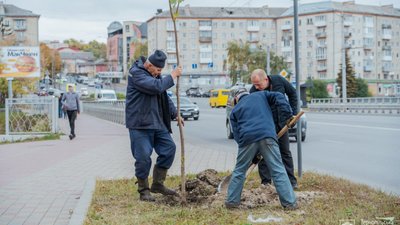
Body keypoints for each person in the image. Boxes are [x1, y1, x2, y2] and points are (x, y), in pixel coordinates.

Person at [225, 88, 297, 209]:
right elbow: (279, 96)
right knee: (278, 169)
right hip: (267, 135)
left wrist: (248, 152)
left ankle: (232, 202)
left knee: (239, 170)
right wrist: (288, 115)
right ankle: (289, 203)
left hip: (247, 139)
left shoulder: (235, 110)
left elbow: (237, 135)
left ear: (236, 99)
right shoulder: (262, 95)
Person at [126, 50, 183, 202]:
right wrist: (172, 76)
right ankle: (144, 190)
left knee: (169, 149)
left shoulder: (154, 76)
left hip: (157, 123)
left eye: (161, 71)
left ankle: (158, 184)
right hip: (140, 124)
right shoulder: (136, 74)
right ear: (149, 65)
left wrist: (175, 114)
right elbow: (156, 87)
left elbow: (163, 96)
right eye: (158, 70)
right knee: (143, 157)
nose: (159, 73)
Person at [250, 69, 299, 189]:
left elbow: (292, 94)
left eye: (258, 84)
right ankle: (266, 183)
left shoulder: (279, 81)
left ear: (266, 79)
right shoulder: (253, 92)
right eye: (254, 84)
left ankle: (291, 181)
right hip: (265, 126)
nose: (256, 87)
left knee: (285, 152)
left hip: (282, 123)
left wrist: (293, 113)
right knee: (263, 154)